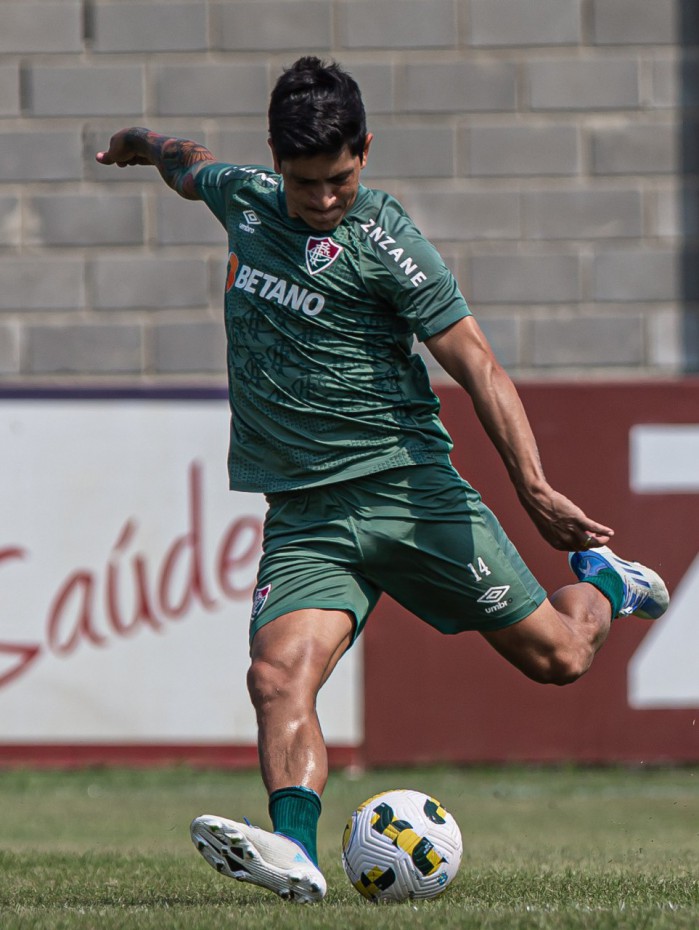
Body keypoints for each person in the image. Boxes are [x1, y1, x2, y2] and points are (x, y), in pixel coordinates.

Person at [96, 56, 669, 903]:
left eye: (338, 178)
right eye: (305, 182)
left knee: (559, 658)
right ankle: (294, 849)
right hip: (305, 516)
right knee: (274, 675)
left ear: (364, 151)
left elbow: (476, 364)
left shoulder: (386, 244)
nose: (323, 199)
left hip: (407, 494)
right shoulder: (244, 196)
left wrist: (535, 490)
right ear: (274, 159)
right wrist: (135, 143)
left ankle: (602, 587)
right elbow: (182, 157)